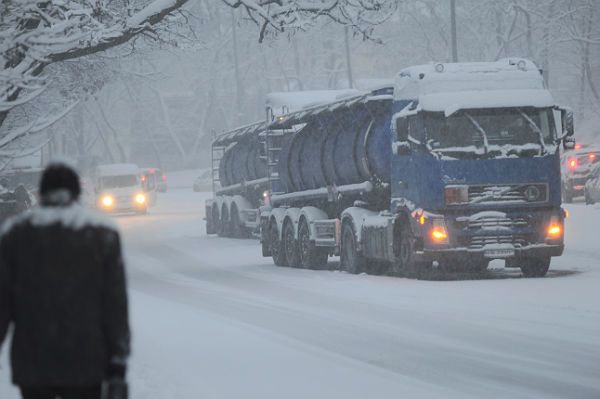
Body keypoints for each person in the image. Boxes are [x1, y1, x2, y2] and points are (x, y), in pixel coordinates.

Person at [0, 161, 130, 399]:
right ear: (77, 193)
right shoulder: (102, 237)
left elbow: (2, 303)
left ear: (40, 194)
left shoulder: (16, 237)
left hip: (33, 360)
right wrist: (117, 362)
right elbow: (115, 305)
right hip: (86, 359)